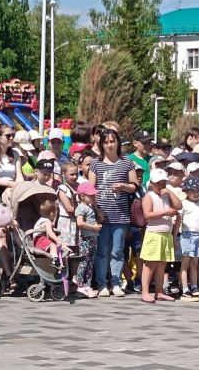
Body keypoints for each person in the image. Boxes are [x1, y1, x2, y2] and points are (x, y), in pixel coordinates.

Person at [88, 128, 138, 298]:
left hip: (121, 213)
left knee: (118, 251)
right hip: (101, 214)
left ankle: (116, 282)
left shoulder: (127, 163)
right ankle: (102, 283)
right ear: (101, 144)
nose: (109, 145)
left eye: (112, 141)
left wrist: (123, 186)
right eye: (106, 142)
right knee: (102, 251)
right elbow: (90, 189)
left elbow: (134, 185)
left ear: (117, 142)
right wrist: (96, 210)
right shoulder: (95, 163)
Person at [139, 169, 182, 303]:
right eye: (158, 183)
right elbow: (147, 214)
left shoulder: (165, 195)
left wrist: (170, 192)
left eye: (164, 183)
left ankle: (159, 291)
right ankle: (145, 292)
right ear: (151, 183)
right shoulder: (149, 196)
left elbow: (179, 205)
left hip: (166, 234)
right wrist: (165, 212)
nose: (161, 185)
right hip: (154, 233)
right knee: (150, 264)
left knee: (162, 265)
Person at [178, 176, 199, 301]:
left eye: (198, 191)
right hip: (186, 235)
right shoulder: (183, 204)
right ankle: (184, 288)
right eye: (192, 190)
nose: (195, 193)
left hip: (198, 235)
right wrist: (175, 236)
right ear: (186, 191)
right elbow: (179, 221)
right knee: (185, 263)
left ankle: (194, 286)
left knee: (195, 263)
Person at [74, 182, 101, 299]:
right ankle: (80, 286)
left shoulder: (90, 207)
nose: (94, 197)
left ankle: (87, 285)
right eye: (91, 195)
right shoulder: (81, 207)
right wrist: (94, 228)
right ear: (82, 196)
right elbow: (80, 223)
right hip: (85, 238)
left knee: (90, 262)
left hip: (93, 238)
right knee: (83, 262)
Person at [33, 199, 71, 268]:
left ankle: (68, 250)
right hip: (39, 239)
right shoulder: (47, 221)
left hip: (41, 239)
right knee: (53, 245)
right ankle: (55, 260)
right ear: (51, 214)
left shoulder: (42, 220)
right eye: (56, 212)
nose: (57, 214)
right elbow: (50, 233)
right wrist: (57, 240)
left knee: (56, 244)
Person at [56, 161, 79, 267]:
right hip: (67, 221)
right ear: (64, 174)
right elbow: (69, 208)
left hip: (78, 221)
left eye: (76, 174)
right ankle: (66, 275)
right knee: (67, 248)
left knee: (78, 249)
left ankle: (75, 275)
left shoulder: (80, 186)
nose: (75, 177)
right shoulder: (62, 189)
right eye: (71, 174)